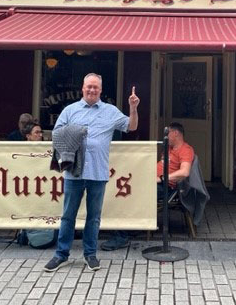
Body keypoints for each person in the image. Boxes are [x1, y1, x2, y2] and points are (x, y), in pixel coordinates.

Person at [43, 73, 139, 273]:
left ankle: (90, 254)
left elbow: (131, 126)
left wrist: (133, 108)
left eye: (95, 87)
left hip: (98, 172)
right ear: (82, 88)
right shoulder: (70, 110)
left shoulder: (110, 111)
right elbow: (57, 135)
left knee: (93, 217)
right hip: (73, 172)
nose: (92, 90)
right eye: (89, 87)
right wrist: (77, 132)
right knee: (68, 216)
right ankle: (61, 254)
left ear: (101, 90)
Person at [100, 122, 194, 251]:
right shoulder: (169, 149)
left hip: (166, 187)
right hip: (151, 182)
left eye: (167, 134)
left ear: (176, 133)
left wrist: (161, 178)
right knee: (122, 189)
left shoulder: (185, 150)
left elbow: (184, 172)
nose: (165, 137)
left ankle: (121, 237)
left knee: (126, 195)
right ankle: (130, 227)